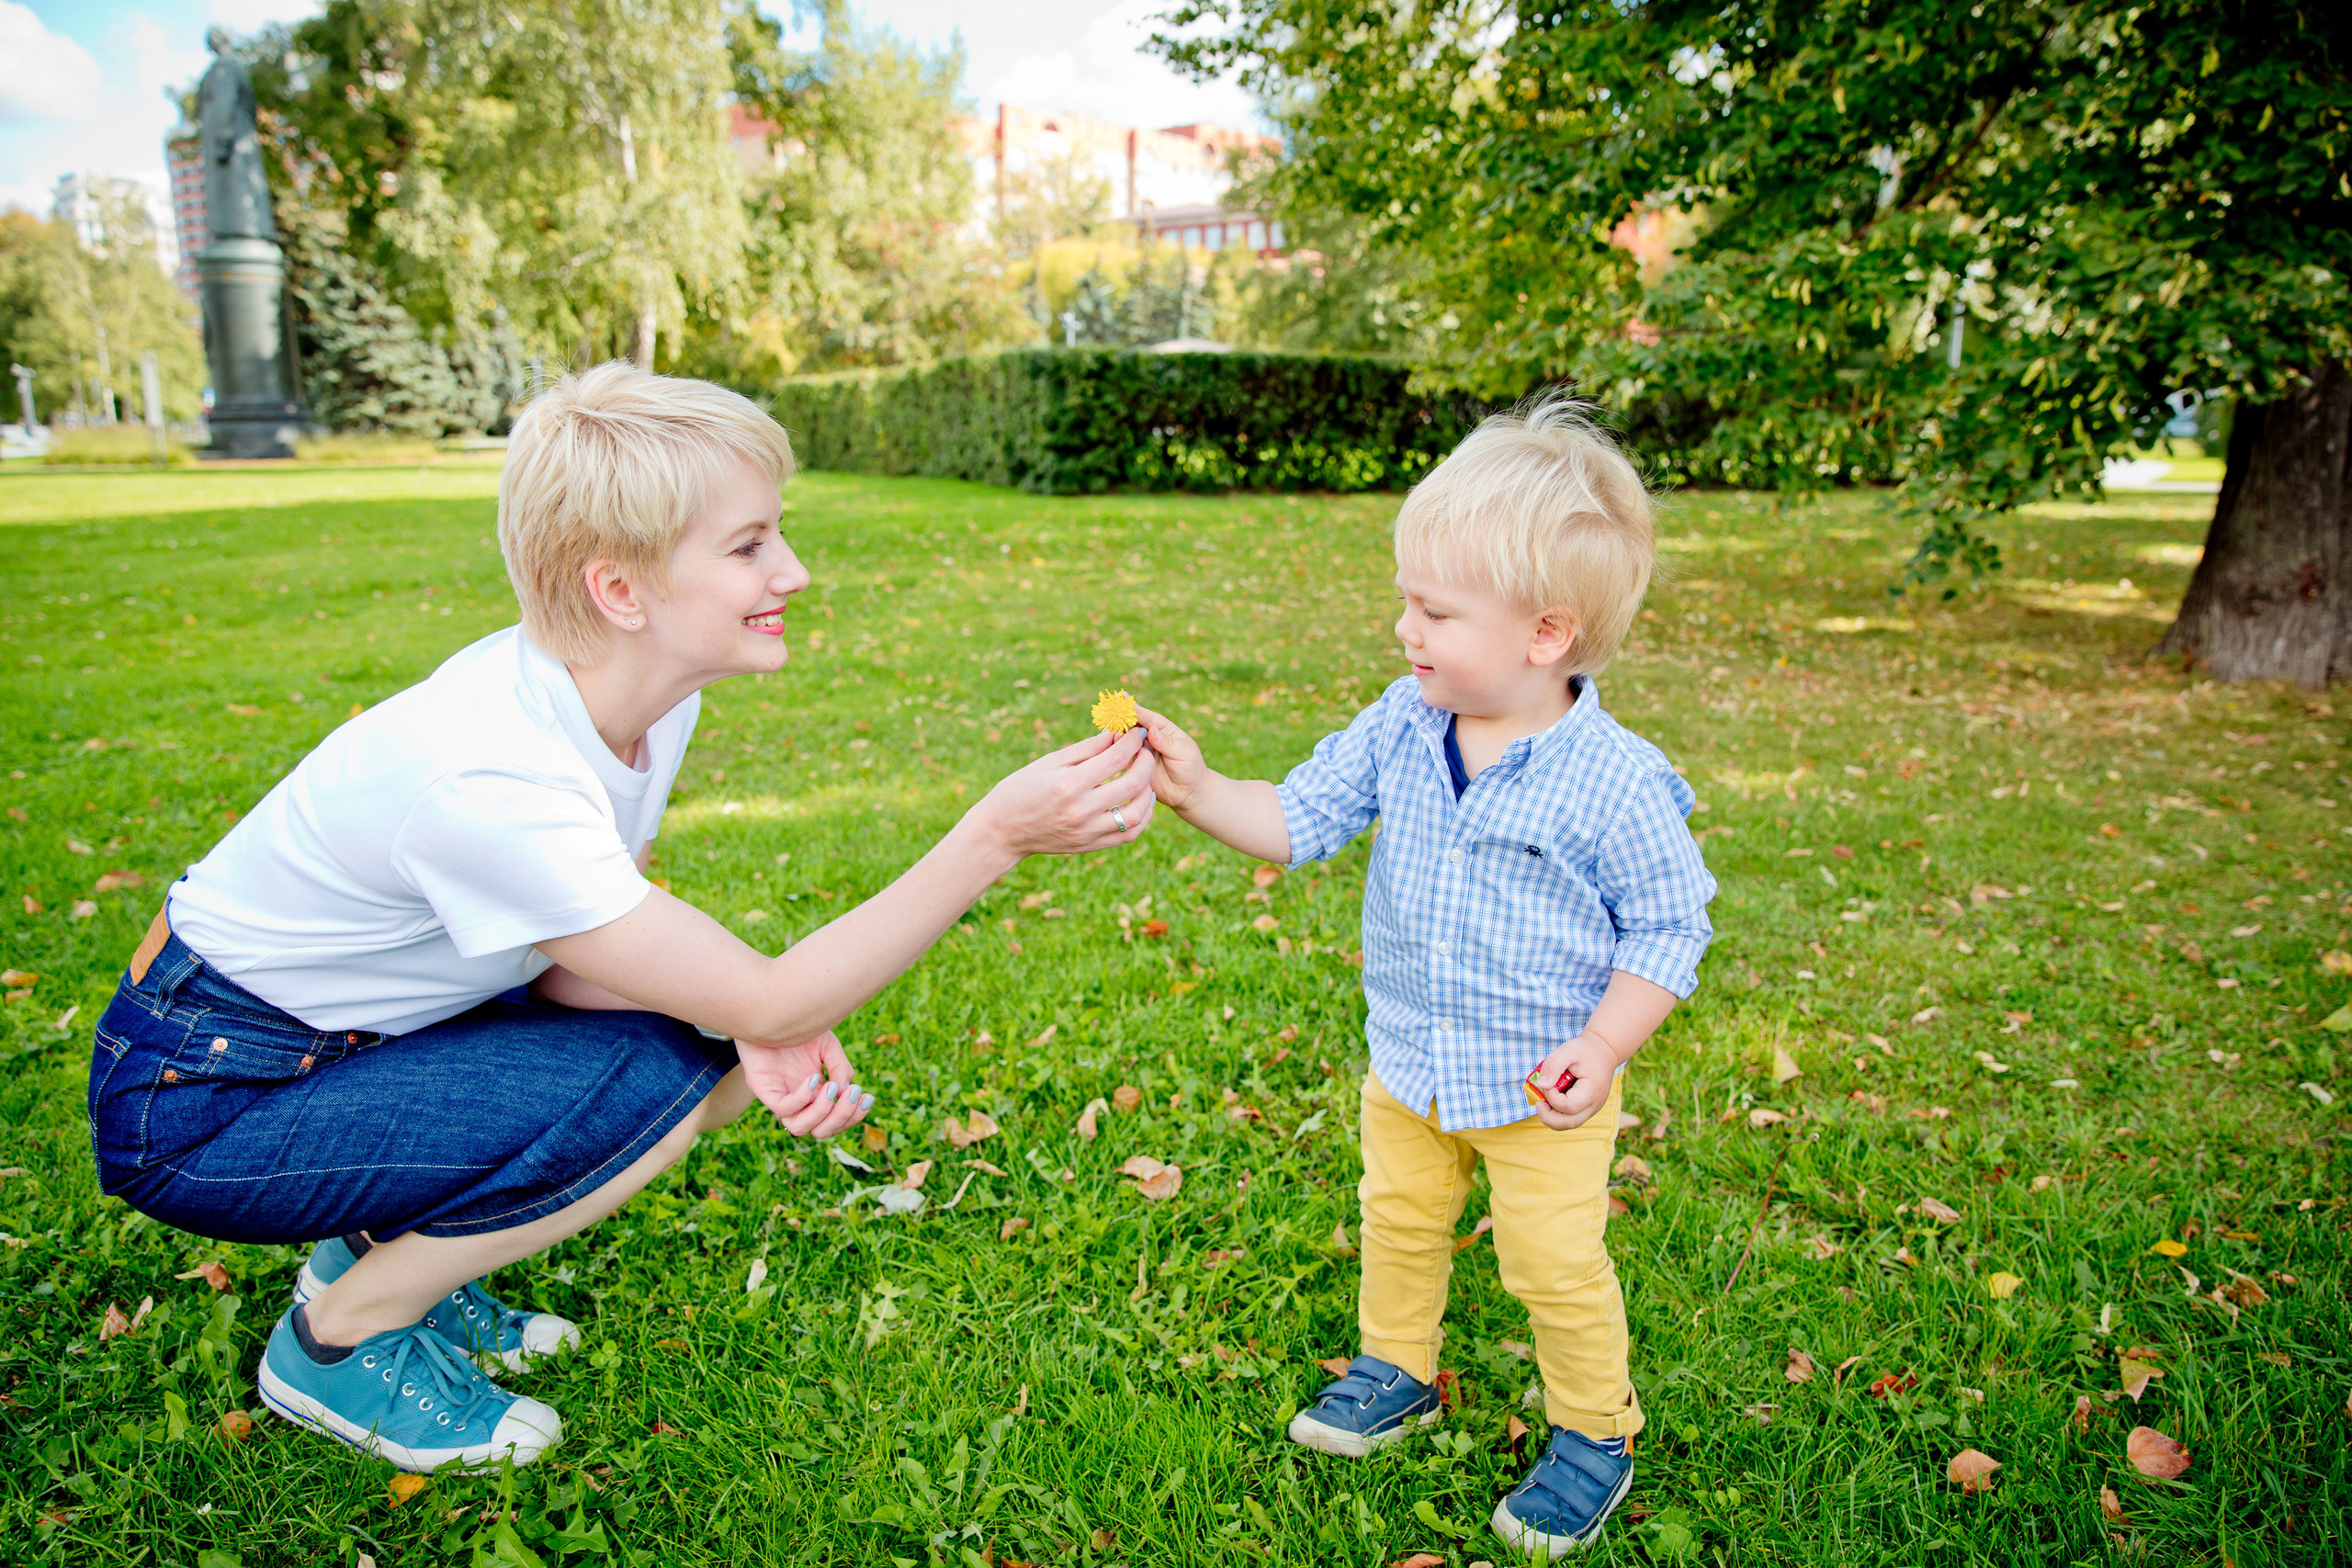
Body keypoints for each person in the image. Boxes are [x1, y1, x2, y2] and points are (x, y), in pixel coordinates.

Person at [85, 363, 1158, 1474]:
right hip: (206, 1098)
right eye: (748, 546)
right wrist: (991, 839)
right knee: (675, 1067)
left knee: (707, 1043)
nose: (792, 570)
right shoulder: (492, 774)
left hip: (342, 1047)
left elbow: (562, 973)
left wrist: (747, 1019)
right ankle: (339, 1339)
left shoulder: (644, 698)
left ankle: (379, 1267)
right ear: (621, 592)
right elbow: (774, 997)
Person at [1132, 397, 1714, 1556]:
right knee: (1398, 1221)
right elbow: (1300, 818)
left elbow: (1668, 928)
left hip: (1541, 1088)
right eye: (1408, 598)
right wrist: (1199, 790)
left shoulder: (1613, 782)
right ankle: (1394, 1368)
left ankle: (1595, 1434)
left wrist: (1602, 1050)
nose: (1405, 628)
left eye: (1435, 610)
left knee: (1550, 1261)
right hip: (1411, 1058)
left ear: (1544, 636)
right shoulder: (1406, 722)